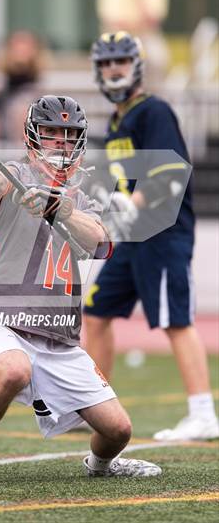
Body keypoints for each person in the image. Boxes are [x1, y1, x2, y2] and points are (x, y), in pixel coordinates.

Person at [0, 95, 162, 482]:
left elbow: (101, 244)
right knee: (13, 372)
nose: (61, 141)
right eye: (52, 132)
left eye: (69, 134)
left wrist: (64, 210)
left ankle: (100, 466)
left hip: (57, 334)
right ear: (33, 136)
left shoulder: (85, 196)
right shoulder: (14, 174)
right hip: (2, 318)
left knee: (118, 430)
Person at [83, 31, 219, 441]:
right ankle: (92, 402)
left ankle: (202, 412)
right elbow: (120, 181)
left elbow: (170, 172)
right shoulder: (117, 120)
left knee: (174, 319)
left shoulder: (153, 111)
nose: (112, 69)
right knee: (97, 311)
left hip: (162, 233)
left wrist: (133, 204)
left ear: (136, 64)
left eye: (119, 61)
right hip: (133, 237)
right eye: (106, 63)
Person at [95, 0, 169, 85]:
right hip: (116, 36)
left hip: (147, 36)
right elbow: (111, 19)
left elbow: (153, 20)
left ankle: (155, 93)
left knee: (158, 58)